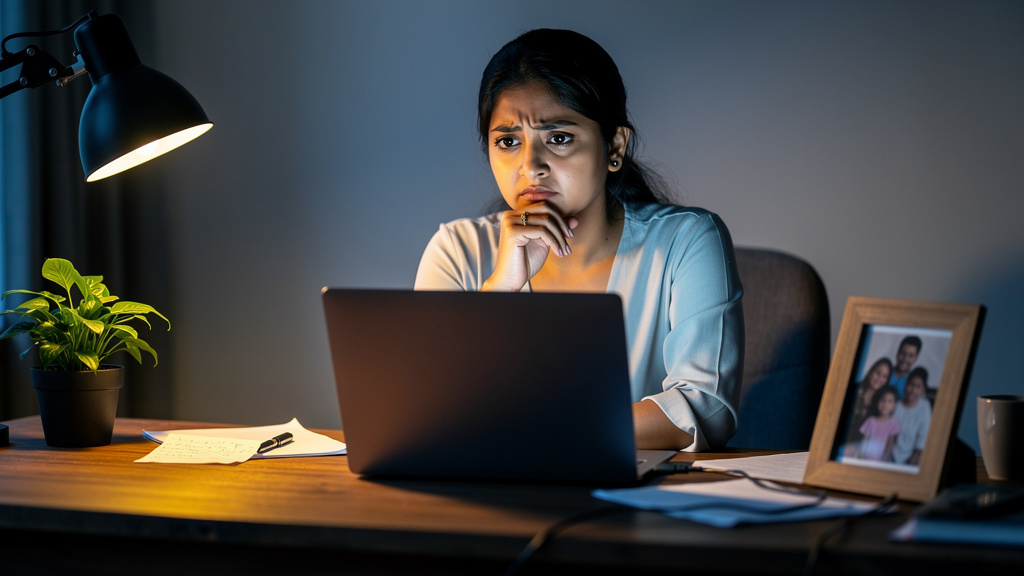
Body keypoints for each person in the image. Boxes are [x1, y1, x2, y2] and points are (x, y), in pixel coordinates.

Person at [414, 29, 743, 451]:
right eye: (508, 141)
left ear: (614, 146)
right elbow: (425, 409)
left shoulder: (686, 240)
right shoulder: (456, 250)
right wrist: (500, 290)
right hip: (486, 495)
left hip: (631, 499)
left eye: (559, 138)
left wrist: (543, 429)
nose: (531, 166)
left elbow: (705, 408)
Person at [891, 367, 932, 466]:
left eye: (918, 387)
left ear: (923, 390)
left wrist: (909, 463)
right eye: (910, 385)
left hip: (911, 460)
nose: (913, 390)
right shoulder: (896, 405)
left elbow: (922, 439)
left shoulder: (925, 406)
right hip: (891, 456)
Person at [847, 357, 893, 442]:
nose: (879, 378)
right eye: (878, 373)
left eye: (884, 376)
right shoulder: (853, 389)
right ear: (870, 372)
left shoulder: (882, 406)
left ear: (887, 381)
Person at [857, 385, 901, 462]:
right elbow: (864, 441)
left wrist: (884, 459)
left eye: (889, 401)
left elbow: (890, 445)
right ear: (878, 402)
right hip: (866, 459)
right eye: (883, 400)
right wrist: (860, 456)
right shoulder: (870, 421)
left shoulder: (893, 422)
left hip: (880, 460)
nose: (885, 404)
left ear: (894, 405)